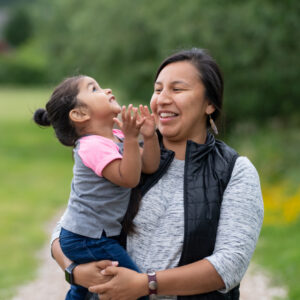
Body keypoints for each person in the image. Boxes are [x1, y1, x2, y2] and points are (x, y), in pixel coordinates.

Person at [51, 48, 264, 300]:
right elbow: (66, 228)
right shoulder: (129, 158)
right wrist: (74, 272)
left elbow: (229, 265)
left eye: (177, 89)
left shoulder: (234, 171)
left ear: (209, 104)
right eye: (158, 89)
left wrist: (145, 284)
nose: (162, 98)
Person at [34, 75, 160, 300]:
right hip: (86, 237)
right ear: (80, 114)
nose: (107, 89)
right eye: (94, 89)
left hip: (92, 235)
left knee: (83, 289)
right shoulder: (91, 146)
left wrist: (148, 137)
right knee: (133, 285)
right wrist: (132, 140)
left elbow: (149, 166)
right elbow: (128, 178)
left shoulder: (117, 138)